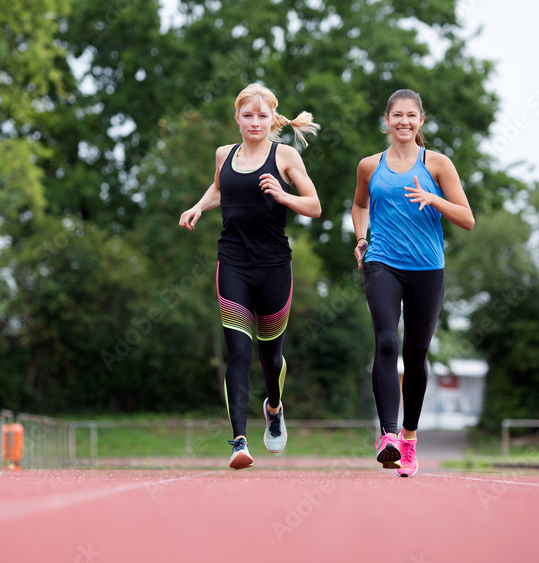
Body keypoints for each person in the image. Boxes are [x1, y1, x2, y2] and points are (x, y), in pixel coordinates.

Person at [179, 83, 321, 469]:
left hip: (274, 266)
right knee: (238, 353)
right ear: (237, 117)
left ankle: (273, 408)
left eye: (261, 116)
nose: (254, 122)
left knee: (269, 357)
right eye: (247, 115)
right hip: (233, 264)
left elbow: (315, 205)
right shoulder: (224, 153)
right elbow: (221, 187)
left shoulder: (286, 155)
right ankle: (239, 441)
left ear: (271, 119)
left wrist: (283, 194)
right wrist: (198, 207)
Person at [351, 89, 475, 477]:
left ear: (421, 121)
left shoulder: (437, 164)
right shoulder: (369, 166)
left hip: (427, 268)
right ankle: (387, 435)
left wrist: (434, 199)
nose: (404, 121)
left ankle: (409, 438)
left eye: (411, 116)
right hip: (382, 262)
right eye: (397, 115)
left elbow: (467, 219)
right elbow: (359, 206)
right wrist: (360, 238)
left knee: (416, 354)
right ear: (386, 121)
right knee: (386, 341)